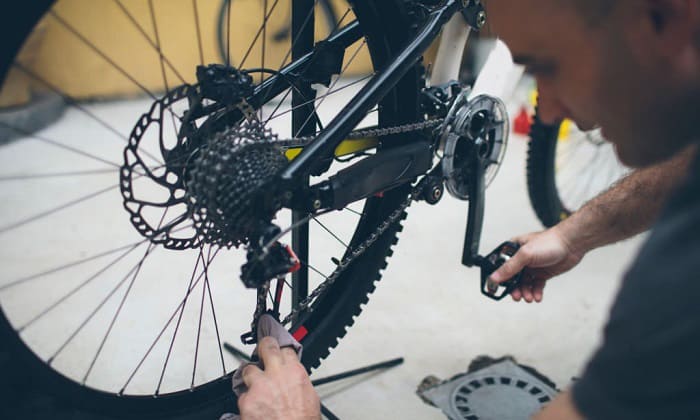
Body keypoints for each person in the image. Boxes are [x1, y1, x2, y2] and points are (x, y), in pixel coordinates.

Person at [238, 0, 700, 418]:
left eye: (549, 67)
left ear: (664, 16)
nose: (553, 113)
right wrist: (574, 233)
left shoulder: (677, 283)